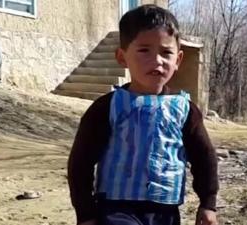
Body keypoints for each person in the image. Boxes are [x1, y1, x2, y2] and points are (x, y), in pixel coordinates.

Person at [67, 4, 219, 225]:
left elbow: (204, 158)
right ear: (122, 57)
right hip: (115, 209)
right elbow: (80, 162)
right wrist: (86, 213)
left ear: (178, 60)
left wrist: (208, 203)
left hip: (165, 213)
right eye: (144, 50)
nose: (157, 60)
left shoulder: (185, 110)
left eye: (166, 52)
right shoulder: (108, 107)